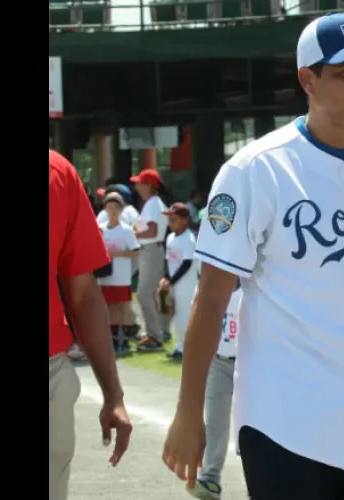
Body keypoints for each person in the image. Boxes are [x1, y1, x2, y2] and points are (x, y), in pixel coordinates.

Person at [161, 13, 344, 500]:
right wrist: (190, 412)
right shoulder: (256, 170)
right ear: (307, 79)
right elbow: (209, 301)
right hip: (288, 422)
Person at [49, 150, 133, 500]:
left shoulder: (58, 174)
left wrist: (113, 393)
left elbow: (84, 294)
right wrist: (112, 393)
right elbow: (83, 295)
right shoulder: (57, 171)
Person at [191, 278, 243, 500]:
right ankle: (210, 479)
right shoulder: (207, 286)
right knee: (214, 421)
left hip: (250, 363)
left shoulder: (254, 285)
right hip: (218, 361)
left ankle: (256, 479)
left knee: (249, 428)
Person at [97, 192, 141, 354]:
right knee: (110, 308)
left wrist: (117, 254)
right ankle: (115, 340)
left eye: (116, 207)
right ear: (105, 209)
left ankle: (126, 340)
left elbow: (136, 251)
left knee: (123, 307)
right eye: (109, 207)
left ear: (121, 210)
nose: (112, 210)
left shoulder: (126, 230)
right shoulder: (100, 229)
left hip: (121, 275)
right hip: (105, 275)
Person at [131, 169, 170, 352]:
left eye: (140, 183)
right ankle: (155, 334)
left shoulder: (153, 204)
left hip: (151, 250)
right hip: (151, 250)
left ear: (149, 186)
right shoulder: (152, 203)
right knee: (150, 295)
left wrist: (134, 234)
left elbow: (152, 232)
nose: (137, 186)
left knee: (144, 294)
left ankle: (155, 336)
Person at [160, 202, 198, 361]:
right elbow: (169, 261)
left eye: (174, 219)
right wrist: (167, 278)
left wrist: (172, 281)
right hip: (176, 284)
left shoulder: (188, 238)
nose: (171, 222)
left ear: (185, 220)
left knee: (185, 317)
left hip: (186, 285)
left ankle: (187, 349)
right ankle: (179, 346)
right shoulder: (169, 237)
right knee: (175, 317)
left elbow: (187, 263)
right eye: (169, 219)